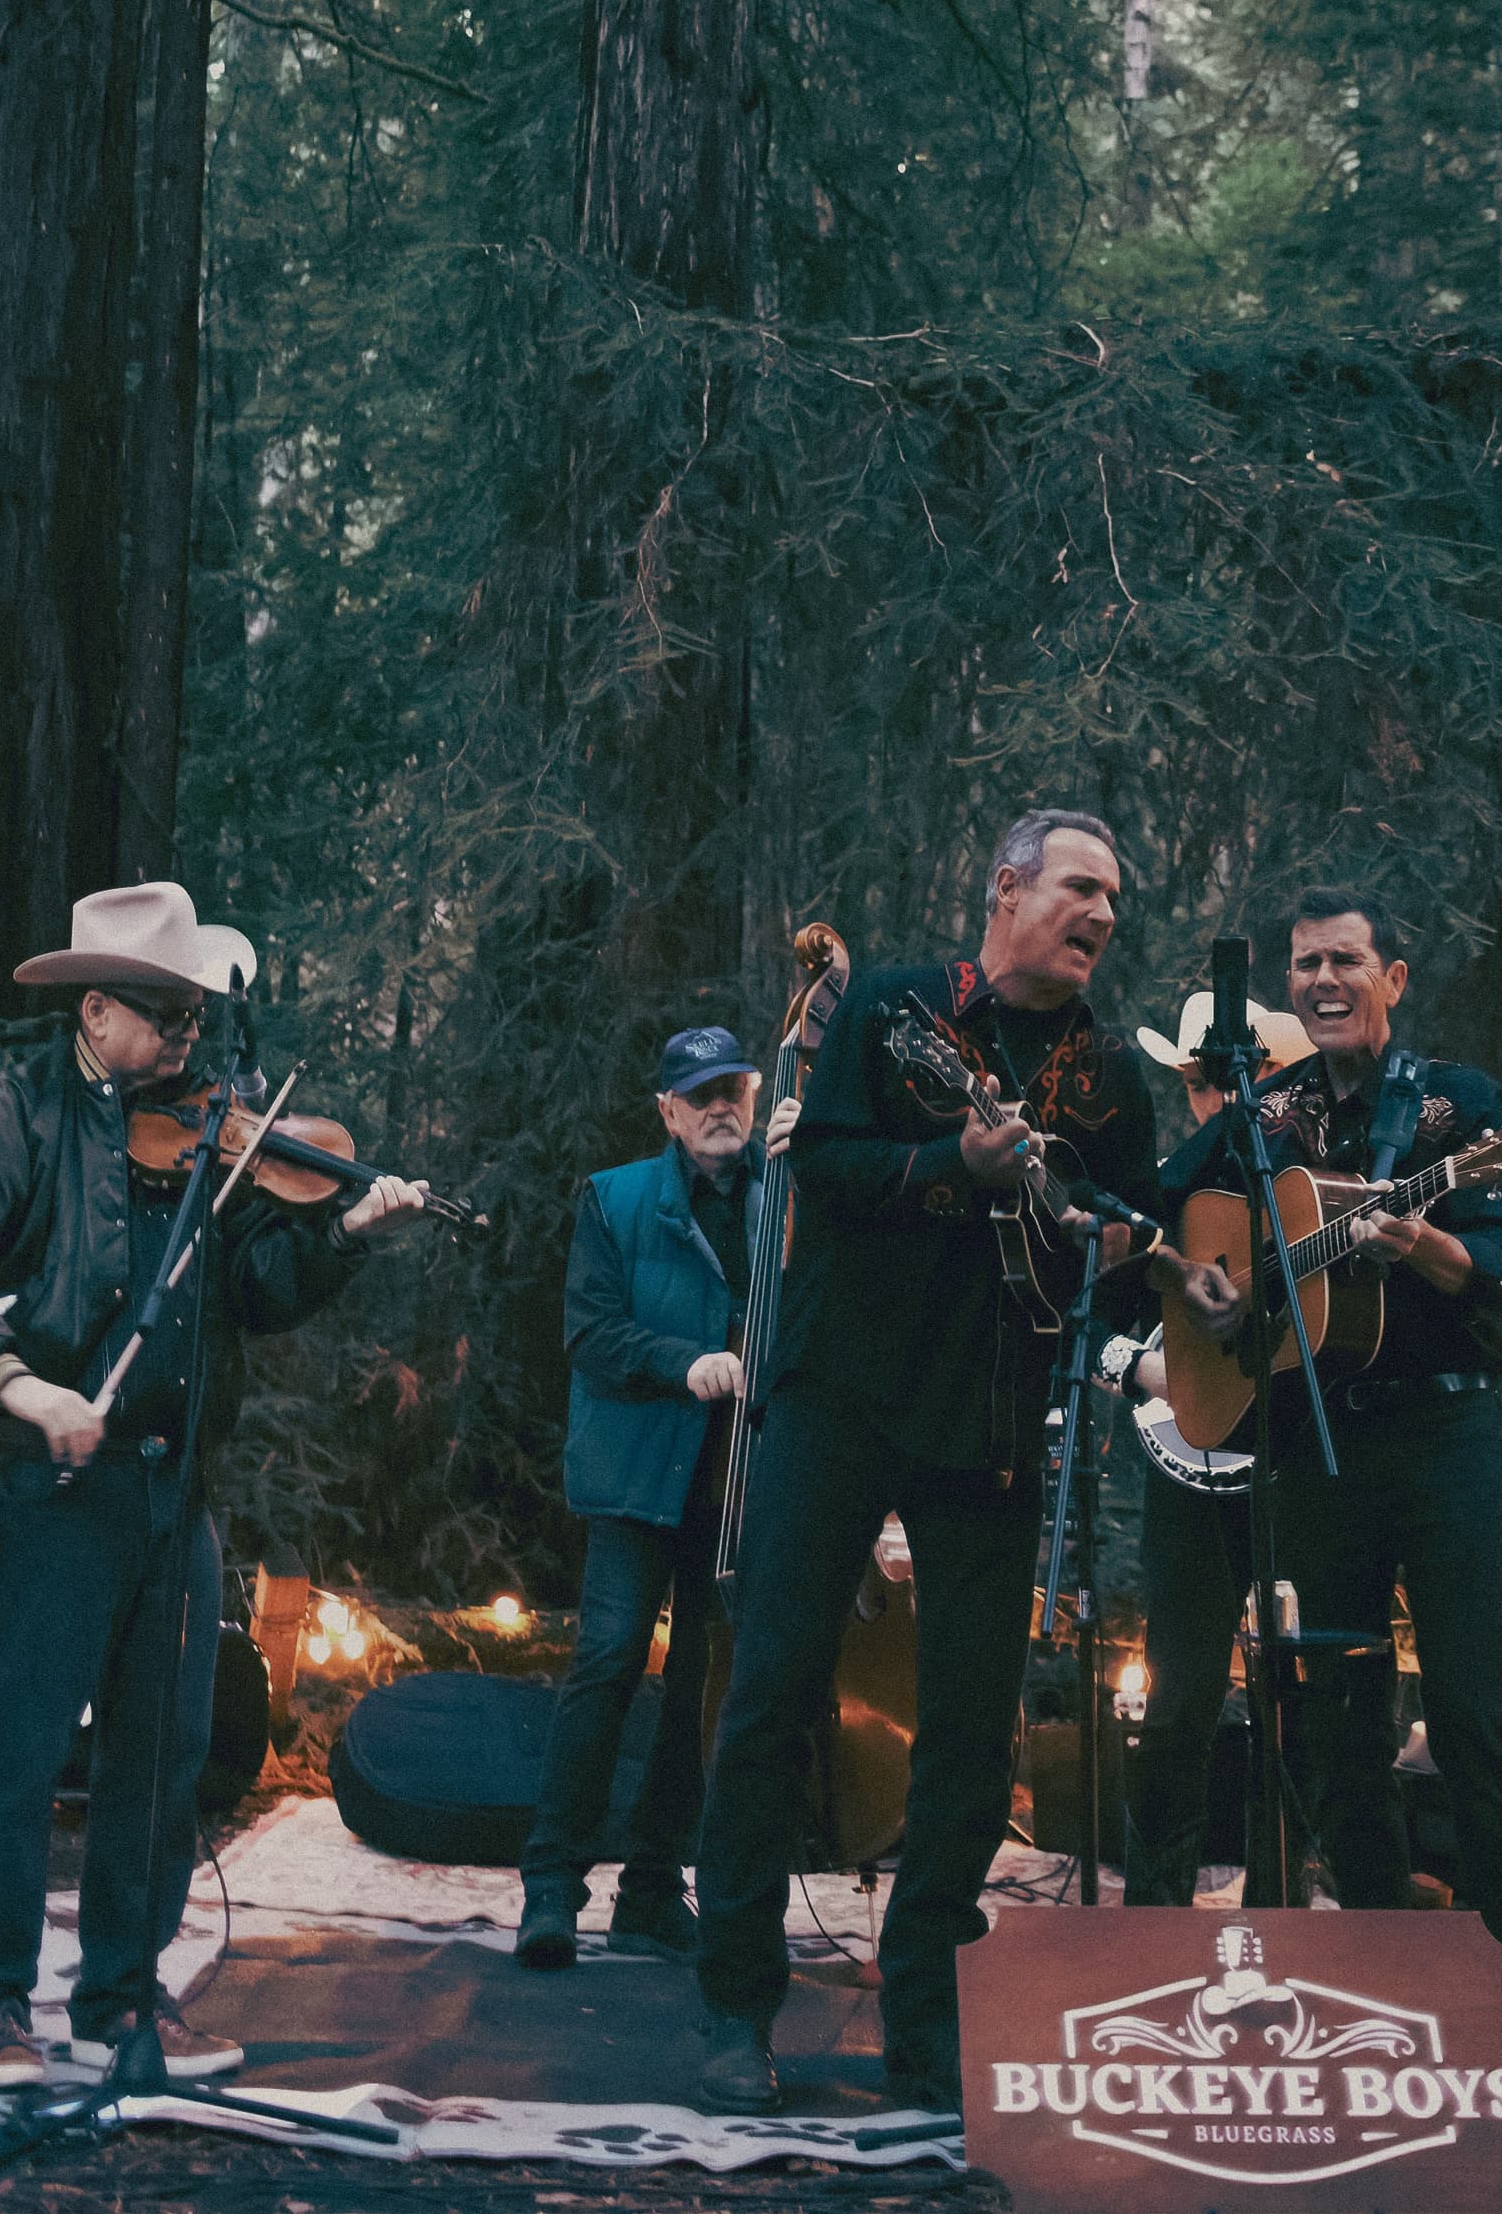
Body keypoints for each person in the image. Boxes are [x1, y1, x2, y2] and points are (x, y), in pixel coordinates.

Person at [691, 811, 1236, 2115]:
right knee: (772, 1692)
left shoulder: (1108, 1072)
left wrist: (1163, 1279)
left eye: (1116, 895)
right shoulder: (891, 1009)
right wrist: (955, 1159)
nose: (1103, 911)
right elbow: (817, 1167)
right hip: (840, 1399)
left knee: (973, 1731)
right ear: (1005, 889)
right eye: (1080, 885)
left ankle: (927, 2023)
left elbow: (1114, 1239)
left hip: (993, 1417)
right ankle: (733, 2005)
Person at [0, 882, 428, 2091]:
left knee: (161, 1753)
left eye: (193, 1015)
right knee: (21, 1749)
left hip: (173, 1484)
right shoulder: (15, 1116)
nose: (187, 1037)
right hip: (57, 1481)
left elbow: (254, 1293)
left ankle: (123, 1992)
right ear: (95, 1008)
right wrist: (23, 1384)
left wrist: (342, 1238)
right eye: (163, 1015)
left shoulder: (207, 1138)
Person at [1159, 889, 1502, 2039]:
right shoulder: (1268, 1108)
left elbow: (1500, 1259)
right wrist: (1206, 1276)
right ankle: (1385, 1957)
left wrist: (1425, 1241)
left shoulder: (1465, 1108)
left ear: (1394, 974)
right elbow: (1169, 1193)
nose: (1322, 981)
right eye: (1304, 964)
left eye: (1344, 961)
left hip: (1442, 1438)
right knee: (1334, 1715)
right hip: (1319, 1438)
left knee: (1472, 1714)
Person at [515, 1024, 800, 1970]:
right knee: (605, 1662)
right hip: (638, 1474)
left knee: (698, 1689)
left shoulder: (785, 1195)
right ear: (668, 1111)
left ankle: (650, 1892)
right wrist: (690, 1364)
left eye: (735, 1089)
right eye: (701, 1093)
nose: (722, 1106)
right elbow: (590, 1336)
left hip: (737, 1484)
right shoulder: (614, 1197)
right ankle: (550, 1891)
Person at [1110, 991, 1327, 1909]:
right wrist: (1152, 1373)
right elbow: (1095, 1336)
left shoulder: (1317, 1193)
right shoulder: (1163, 1192)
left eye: (1225, 1080)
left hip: (1288, 1473)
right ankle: (1154, 1912)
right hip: (1185, 1472)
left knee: (1301, 1702)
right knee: (1177, 1705)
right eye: (1195, 1083)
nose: (1209, 1101)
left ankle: (1279, 1908)